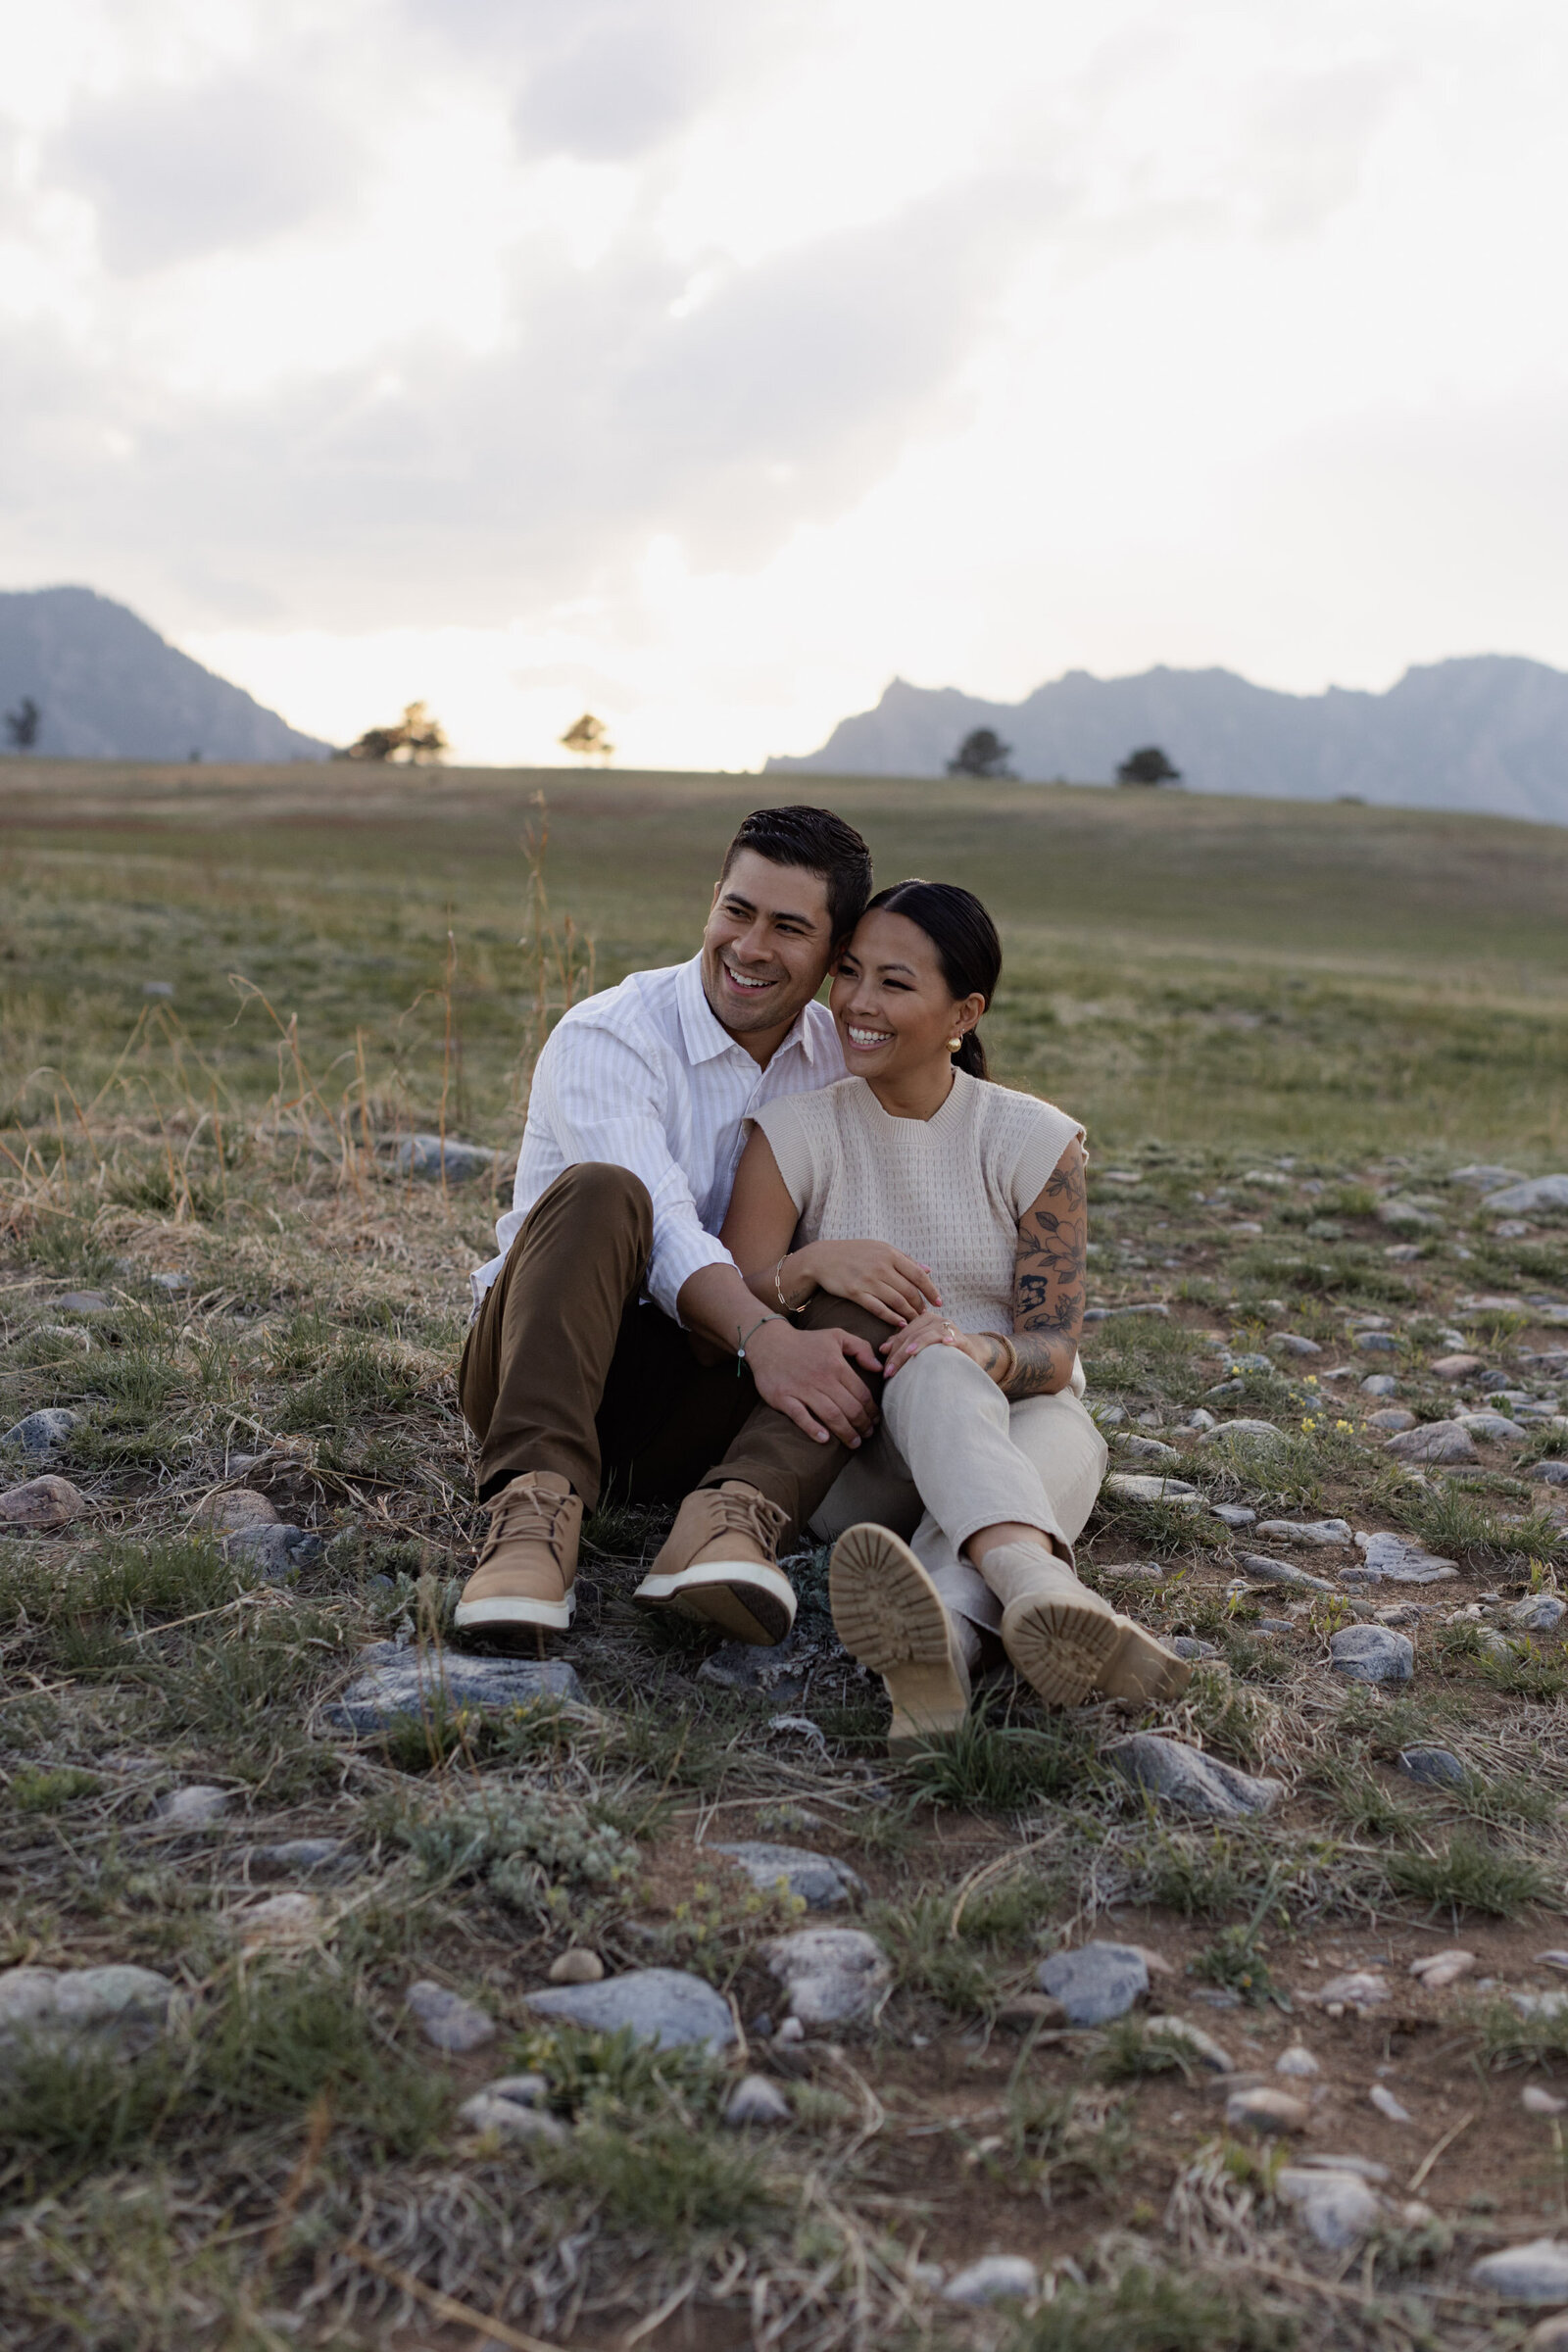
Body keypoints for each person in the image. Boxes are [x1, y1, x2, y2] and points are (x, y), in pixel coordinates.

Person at [719, 878, 1191, 1745]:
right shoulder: (792, 1132)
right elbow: (727, 1302)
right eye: (850, 973)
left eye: (895, 984)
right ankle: (1042, 1585)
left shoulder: (1032, 1139)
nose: (857, 1003)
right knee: (928, 1362)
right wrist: (813, 1265)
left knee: (1038, 1418)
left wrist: (983, 1353)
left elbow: (1054, 1349)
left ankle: (940, 1640)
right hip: (861, 1461)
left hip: (1019, 1427)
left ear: (962, 1012)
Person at [455, 804, 928, 1649]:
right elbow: (666, 1229)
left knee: (868, 1292)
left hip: (690, 1403)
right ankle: (530, 1516)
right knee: (605, 1192)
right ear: (713, 901)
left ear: (833, 953)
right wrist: (766, 1336)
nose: (749, 947)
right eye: (737, 911)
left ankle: (729, 1522)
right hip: (542, 1369)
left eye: (789, 927)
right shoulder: (610, 1034)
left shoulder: (836, 1062)